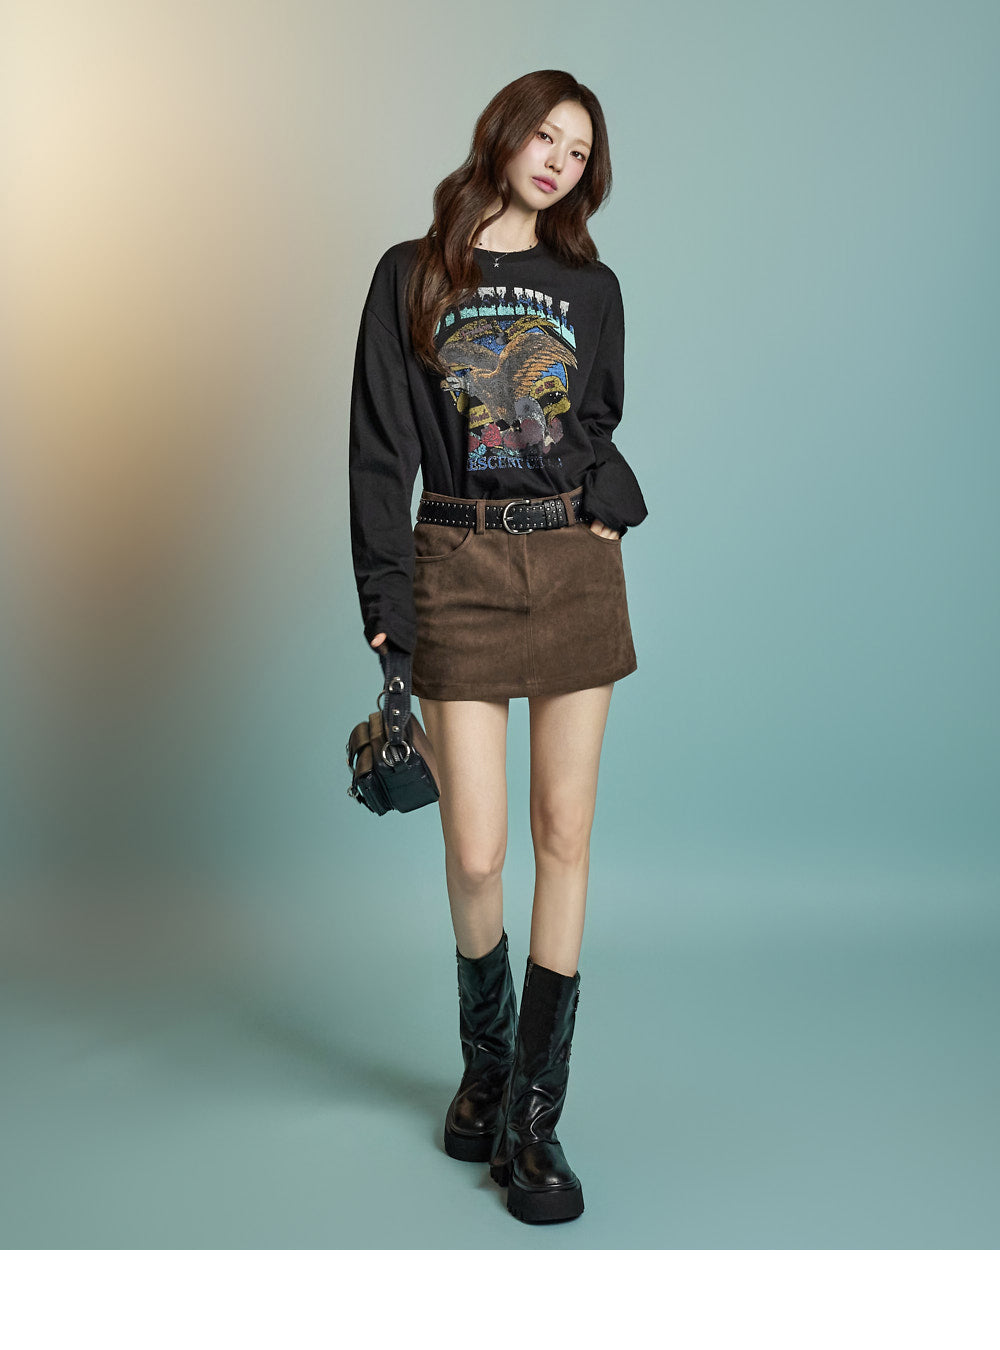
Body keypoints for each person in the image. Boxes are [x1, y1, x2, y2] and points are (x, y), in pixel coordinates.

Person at [348, 69, 648, 1225]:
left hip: (572, 569)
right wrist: (388, 603)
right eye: (546, 138)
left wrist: (606, 491)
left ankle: (531, 1118)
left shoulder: (592, 287)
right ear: (504, 134)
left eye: (579, 153)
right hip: (456, 560)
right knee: (476, 854)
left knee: (562, 835)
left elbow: (594, 418)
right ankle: (484, 1066)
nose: (559, 163)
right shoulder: (411, 274)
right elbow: (381, 450)